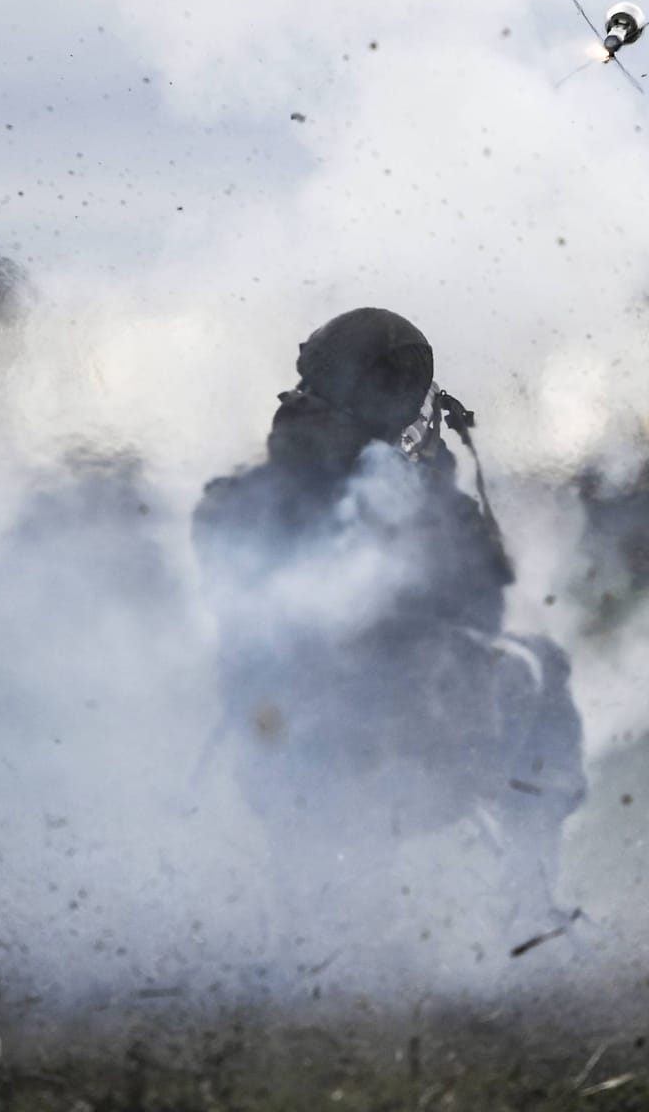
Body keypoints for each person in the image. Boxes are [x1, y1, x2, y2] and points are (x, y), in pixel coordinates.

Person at [191, 308, 585, 928]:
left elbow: (232, 604)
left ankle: (339, 925)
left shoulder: (237, 499)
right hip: (406, 749)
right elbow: (481, 604)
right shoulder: (420, 499)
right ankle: (530, 903)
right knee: (542, 668)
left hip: (289, 757)